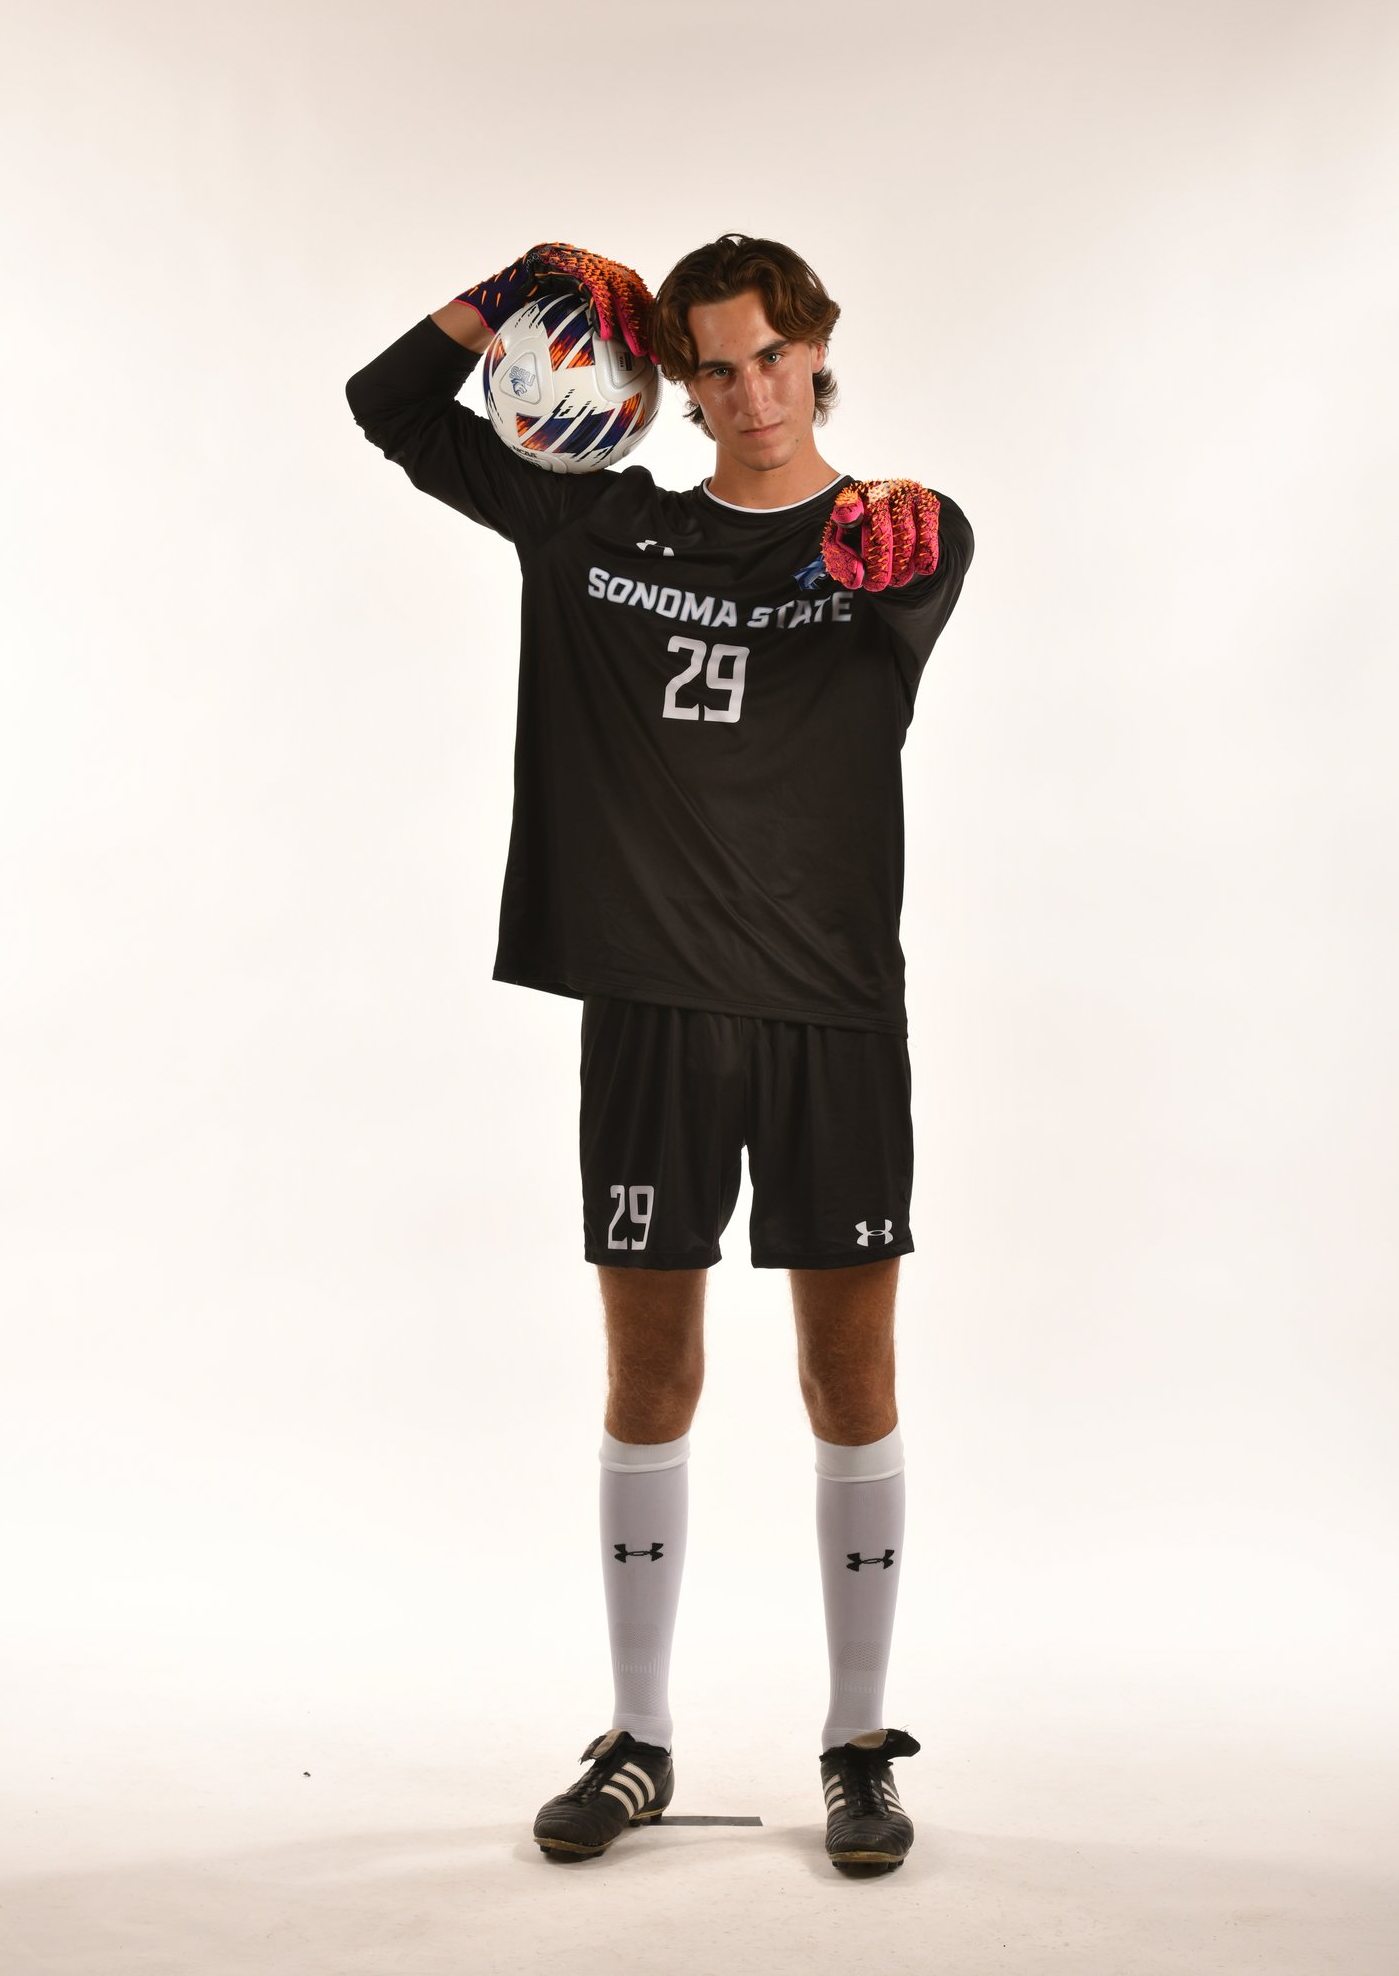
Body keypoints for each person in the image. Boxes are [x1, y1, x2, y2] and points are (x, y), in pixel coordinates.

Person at [344, 233, 974, 1877]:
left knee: (850, 1382)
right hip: (651, 1005)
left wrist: (886, 558)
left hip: (833, 1009)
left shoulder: (894, 535)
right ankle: (637, 1736)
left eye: (769, 356)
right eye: (710, 365)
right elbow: (390, 403)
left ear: (815, 345)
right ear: (670, 378)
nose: (745, 393)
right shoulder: (599, 515)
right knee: (650, 1380)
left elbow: (913, 569)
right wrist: (524, 275)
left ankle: (858, 1741)